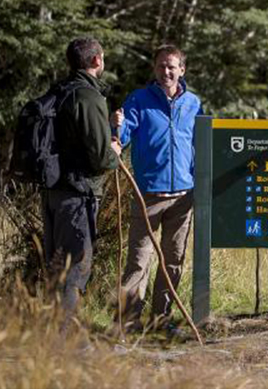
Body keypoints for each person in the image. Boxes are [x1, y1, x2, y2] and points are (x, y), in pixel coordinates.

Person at [111, 44, 203, 332]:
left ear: (182, 70)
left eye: (172, 66)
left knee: (172, 261)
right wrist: (116, 131)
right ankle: (126, 322)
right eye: (162, 65)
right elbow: (122, 136)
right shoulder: (138, 99)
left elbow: (201, 143)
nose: (166, 71)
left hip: (183, 198)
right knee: (139, 261)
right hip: (147, 195)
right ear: (155, 68)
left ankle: (160, 320)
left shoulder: (194, 103)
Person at [43, 37, 121, 329]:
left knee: (56, 268)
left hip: (53, 191)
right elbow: (102, 158)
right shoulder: (88, 97)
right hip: (77, 195)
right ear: (96, 60)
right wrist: (114, 150)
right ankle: (66, 342)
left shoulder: (59, 91)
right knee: (75, 268)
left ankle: (53, 335)